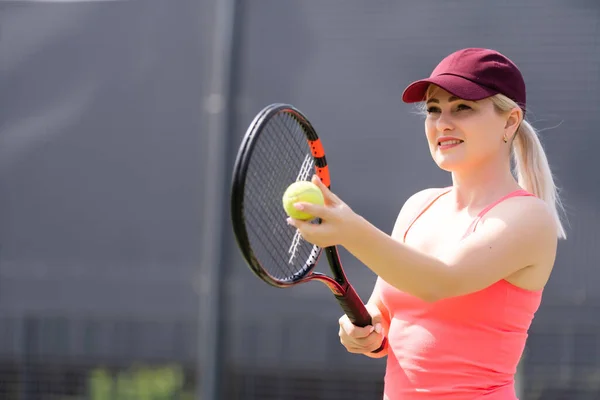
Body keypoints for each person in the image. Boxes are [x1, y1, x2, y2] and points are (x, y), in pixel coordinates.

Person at [287, 48, 567, 399]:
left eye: (462, 107)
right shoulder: (417, 206)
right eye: (434, 110)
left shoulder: (529, 218)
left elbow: (441, 279)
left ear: (509, 121)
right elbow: (384, 313)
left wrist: (350, 229)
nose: (443, 122)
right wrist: (364, 330)